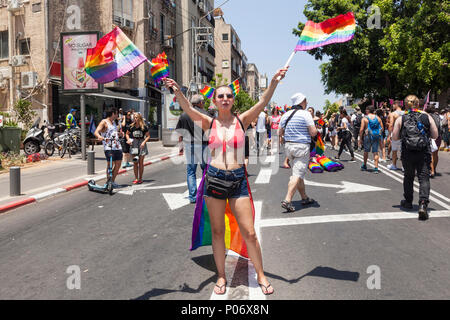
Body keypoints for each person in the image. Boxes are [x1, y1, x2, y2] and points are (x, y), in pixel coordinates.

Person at [163, 66, 288, 296]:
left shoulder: (243, 120)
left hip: (238, 181)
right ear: (214, 101)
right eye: (220, 95)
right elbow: (188, 109)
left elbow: (262, 101)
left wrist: (274, 82)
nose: (225, 98)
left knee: (249, 232)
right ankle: (221, 276)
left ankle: (261, 274)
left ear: (232, 100)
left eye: (229, 95)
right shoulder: (208, 122)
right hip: (215, 180)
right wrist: (177, 91)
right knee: (218, 232)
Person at [392, 95, 438, 220]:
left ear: (405, 105)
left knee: (408, 176)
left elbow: (395, 137)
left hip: (407, 152)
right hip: (423, 152)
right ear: (418, 104)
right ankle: (423, 204)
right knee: (423, 178)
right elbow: (435, 135)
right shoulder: (426, 116)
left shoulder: (401, 118)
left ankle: (408, 202)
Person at [279, 92, 317, 213]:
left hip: (288, 146)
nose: (307, 103)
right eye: (305, 101)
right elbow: (313, 132)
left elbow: (279, 132)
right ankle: (287, 200)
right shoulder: (305, 114)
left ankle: (304, 197)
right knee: (296, 174)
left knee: (297, 172)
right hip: (301, 147)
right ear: (301, 101)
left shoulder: (285, 115)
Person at [175, 94, 210, 203]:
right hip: (204, 145)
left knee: (191, 172)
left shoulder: (184, 115)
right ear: (200, 103)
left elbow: (180, 133)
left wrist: (180, 148)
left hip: (189, 145)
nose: (203, 104)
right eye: (203, 103)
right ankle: (205, 193)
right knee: (206, 171)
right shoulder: (206, 114)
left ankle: (193, 197)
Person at [94, 108, 123, 188]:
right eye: (116, 114)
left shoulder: (113, 122)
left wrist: (120, 134)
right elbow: (96, 132)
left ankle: (112, 181)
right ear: (113, 113)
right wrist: (99, 137)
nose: (117, 115)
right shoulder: (104, 122)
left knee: (118, 164)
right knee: (110, 164)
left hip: (117, 146)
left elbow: (113, 133)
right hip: (109, 147)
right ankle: (108, 182)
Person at [126, 113, 150, 184]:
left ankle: (140, 178)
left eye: (136, 117)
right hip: (134, 144)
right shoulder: (131, 126)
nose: (135, 119)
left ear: (139, 118)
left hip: (141, 144)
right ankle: (136, 178)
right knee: (135, 162)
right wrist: (128, 140)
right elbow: (127, 134)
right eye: (134, 117)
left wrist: (144, 142)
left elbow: (148, 136)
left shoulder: (144, 127)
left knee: (141, 162)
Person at [359, 105, 383, 173]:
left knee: (366, 151)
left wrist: (360, 138)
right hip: (376, 136)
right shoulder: (378, 118)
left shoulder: (365, 118)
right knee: (375, 152)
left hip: (368, 136)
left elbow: (361, 129)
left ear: (368, 110)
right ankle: (376, 168)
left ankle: (365, 165)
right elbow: (382, 128)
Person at [387, 101, 405, 170]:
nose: (392, 106)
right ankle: (404, 166)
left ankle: (394, 165)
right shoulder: (405, 113)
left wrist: (389, 135)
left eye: (393, 105)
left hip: (396, 133)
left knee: (394, 150)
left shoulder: (393, 114)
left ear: (396, 105)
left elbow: (391, 124)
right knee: (403, 151)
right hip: (404, 134)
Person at [427, 106, 442, 177]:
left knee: (430, 154)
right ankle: (434, 169)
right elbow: (441, 127)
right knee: (435, 154)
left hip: (431, 136)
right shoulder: (438, 116)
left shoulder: (428, 116)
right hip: (438, 136)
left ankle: (432, 171)